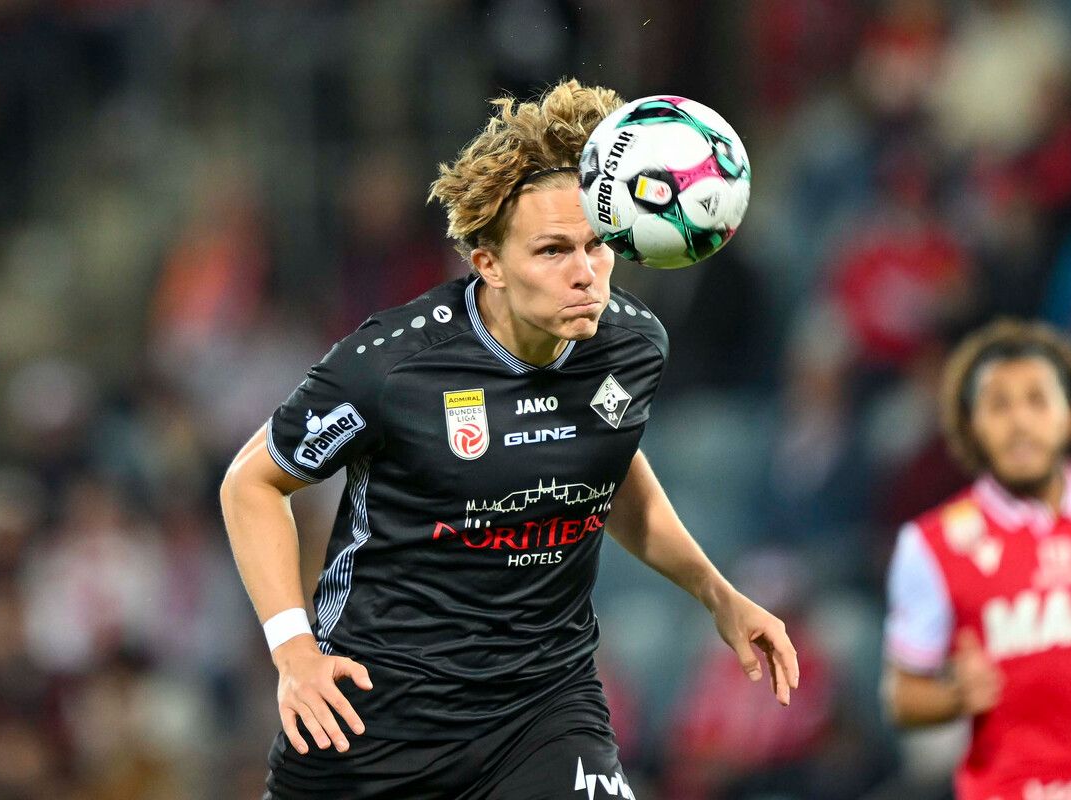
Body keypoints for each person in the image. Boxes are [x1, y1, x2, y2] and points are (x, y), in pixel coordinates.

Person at [219, 79, 799, 800]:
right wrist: (292, 649)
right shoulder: (393, 366)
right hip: (378, 717)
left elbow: (609, 470)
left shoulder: (632, 346)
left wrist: (718, 595)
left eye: (595, 245)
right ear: (487, 263)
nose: (585, 274)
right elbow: (252, 482)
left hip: (545, 708)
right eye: (552, 251)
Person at [882, 318, 1071, 800]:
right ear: (971, 425)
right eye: (998, 405)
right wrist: (955, 697)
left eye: (1037, 400)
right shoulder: (931, 544)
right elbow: (902, 697)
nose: (1019, 422)